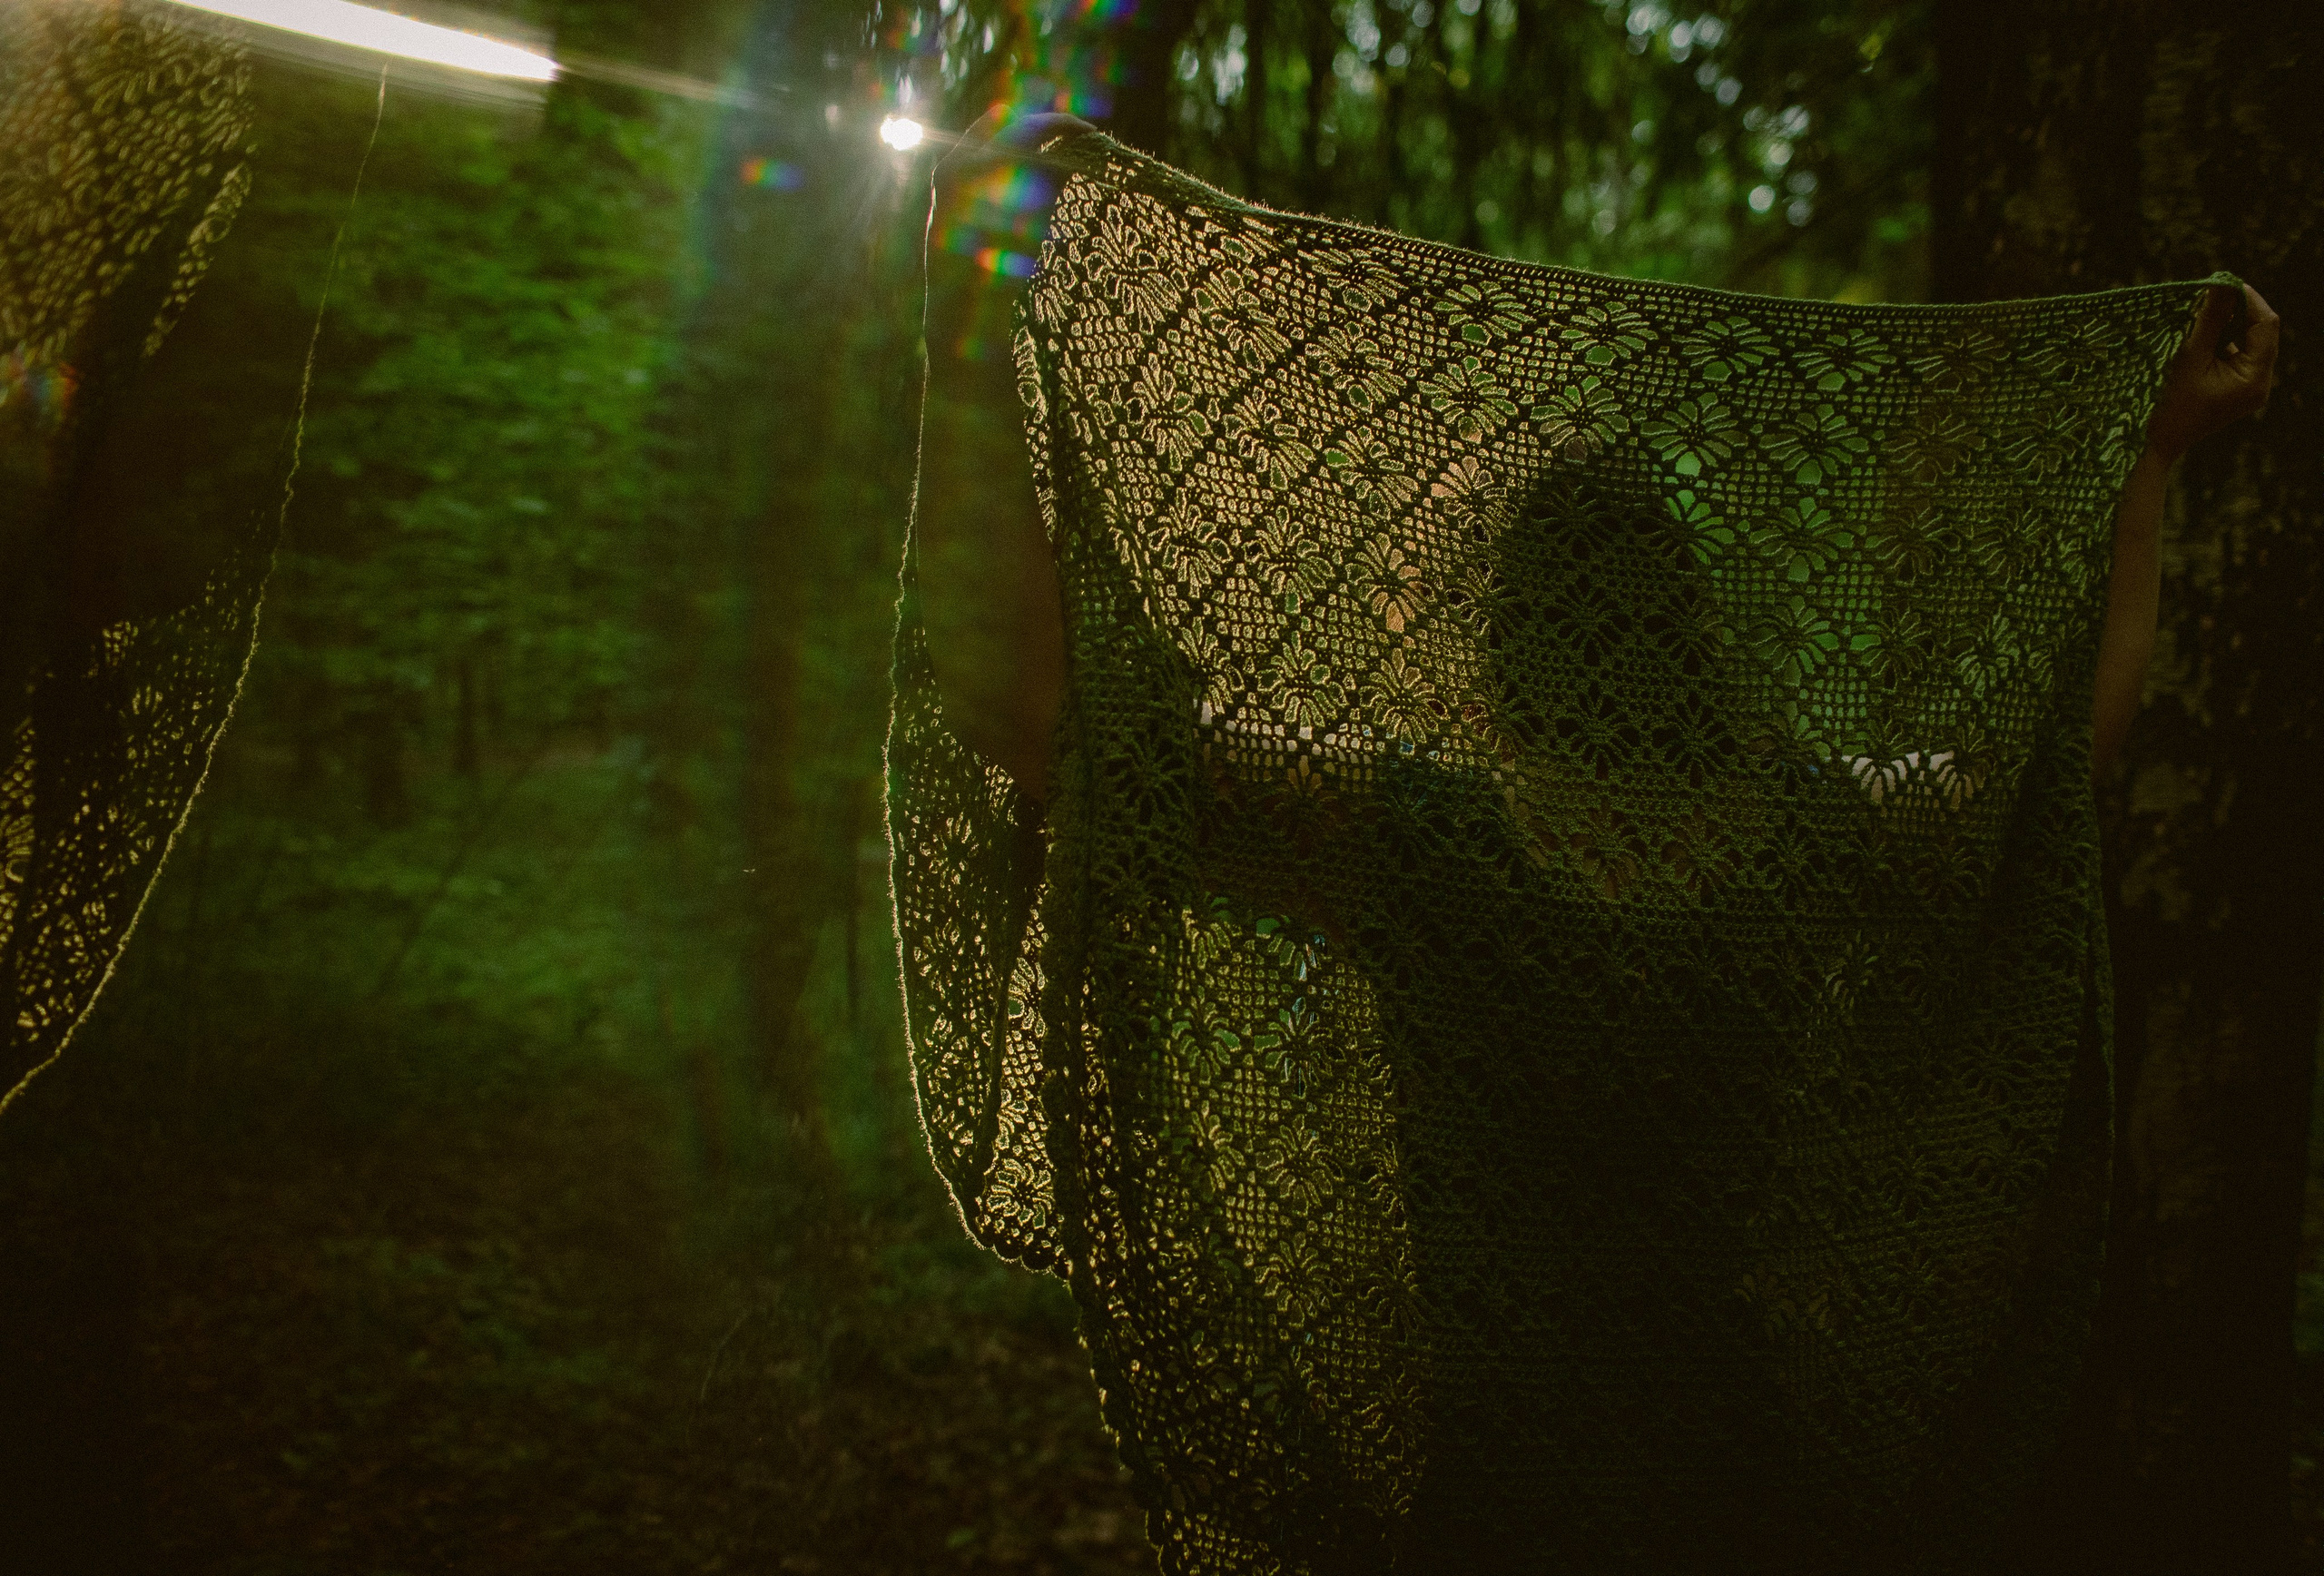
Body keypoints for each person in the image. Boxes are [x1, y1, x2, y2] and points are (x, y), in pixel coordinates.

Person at [913, 112, 2277, 809]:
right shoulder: (1798, 830)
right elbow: (2046, 784)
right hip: (1738, 1367)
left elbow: (1042, 730)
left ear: (1490, 632)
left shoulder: (1424, 834)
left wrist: (982, 330)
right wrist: (2151, 459)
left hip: (1461, 1370)